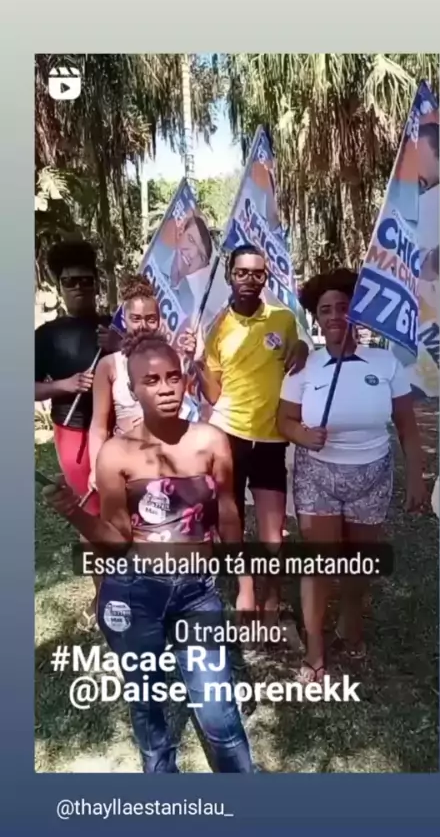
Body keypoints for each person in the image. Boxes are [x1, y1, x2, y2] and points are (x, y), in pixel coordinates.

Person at [43, 330, 254, 774]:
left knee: (218, 712)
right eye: (151, 380)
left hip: (198, 594)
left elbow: (229, 516)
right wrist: (74, 512)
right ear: (132, 388)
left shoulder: (211, 441)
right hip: (135, 593)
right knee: (147, 705)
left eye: (173, 377)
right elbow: (117, 538)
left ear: (185, 380)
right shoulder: (116, 454)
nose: (165, 388)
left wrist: (246, 585)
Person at [276, 268, 428, 683]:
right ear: (317, 318)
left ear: (355, 312)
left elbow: (407, 427)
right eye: (325, 310)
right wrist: (302, 435)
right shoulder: (304, 367)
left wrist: (417, 477)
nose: (334, 316)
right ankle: (315, 647)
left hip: (372, 476)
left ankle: (350, 622)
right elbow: (283, 420)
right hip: (318, 477)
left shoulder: (386, 363)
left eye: (343, 307)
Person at [185, 244, 309, 617]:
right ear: (229, 276)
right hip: (228, 435)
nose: (250, 280)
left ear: (265, 277)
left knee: (273, 529)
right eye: (242, 273)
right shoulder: (218, 326)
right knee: (231, 517)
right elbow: (213, 394)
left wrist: (302, 348)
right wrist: (196, 364)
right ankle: (246, 587)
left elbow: (298, 356)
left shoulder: (283, 319)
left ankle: (272, 592)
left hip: (271, 438)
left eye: (257, 273)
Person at [35, 240, 117, 623]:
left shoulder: (113, 325)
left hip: (119, 430)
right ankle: (102, 594)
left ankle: (131, 585)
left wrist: (119, 344)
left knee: (124, 509)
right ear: (60, 287)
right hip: (74, 433)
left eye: (86, 280)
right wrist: (64, 385)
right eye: (71, 282)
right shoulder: (47, 336)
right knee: (89, 512)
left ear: (97, 283)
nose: (79, 287)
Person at [88, 275, 160, 492]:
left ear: (159, 320)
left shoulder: (171, 361)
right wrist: (96, 468)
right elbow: (98, 426)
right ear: (125, 319)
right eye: (135, 318)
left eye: (151, 319)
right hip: (124, 457)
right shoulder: (109, 365)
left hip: (162, 457)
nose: (143, 326)